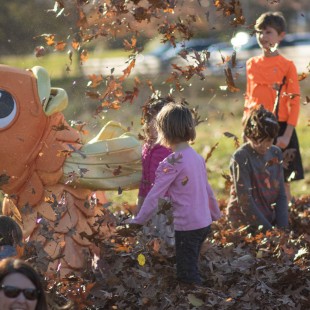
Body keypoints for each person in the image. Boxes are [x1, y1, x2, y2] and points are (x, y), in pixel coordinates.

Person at [126, 102, 221, 285]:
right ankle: (200, 288)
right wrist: (215, 213)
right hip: (203, 223)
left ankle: (198, 297)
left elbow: (155, 195)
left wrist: (139, 219)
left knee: (186, 275)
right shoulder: (196, 157)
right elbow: (207, 189)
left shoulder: (172, 162)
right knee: (190, 263)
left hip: (187, 227)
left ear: (164, 131)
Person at [244, 11, 304, 202]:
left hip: (280, 127)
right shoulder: (251, 64)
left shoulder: (287, 65)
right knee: (260, 176)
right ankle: (266, 217)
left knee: (284, 177)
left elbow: (294, 101)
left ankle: (288, 221)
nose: (263, 37)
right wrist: (246, 128)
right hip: (257, 127)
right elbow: (249, 98)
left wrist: (287, 135)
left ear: (281, 36)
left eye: (268, 32)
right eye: (259, 32)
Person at [228, 105, 289, 232]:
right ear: (249, 136)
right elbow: (246, 202)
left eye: (269, 140)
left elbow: (281, 195)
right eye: (257, 140)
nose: (264, 145)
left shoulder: (276, 153)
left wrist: (283, 229)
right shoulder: (241, 157)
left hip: (267, 218)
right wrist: (269, 231)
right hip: (244, 222)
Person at [137, 96, 174, 245]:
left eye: (156, 121)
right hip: (147, 198)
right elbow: (144, 176)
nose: (150, 124)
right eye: (149, 120)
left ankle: (166, 257)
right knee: (147, 235)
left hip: (164, 202)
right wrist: (140, 201)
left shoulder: (169, 149)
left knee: (164, 235)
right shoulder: (147, 147)